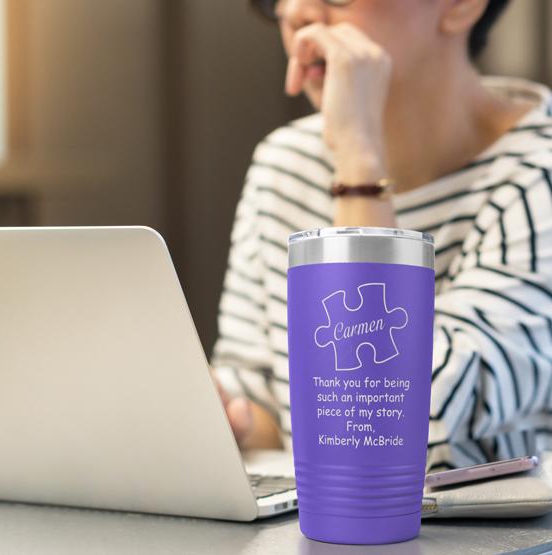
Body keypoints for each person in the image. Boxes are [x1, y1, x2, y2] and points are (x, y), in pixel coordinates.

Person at [210, 0, 552, 468]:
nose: (295, 12)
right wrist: (230, 417)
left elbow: (397, 427)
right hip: (324, 535)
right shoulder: (284, 164)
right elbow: (268, 400)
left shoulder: (538, 175)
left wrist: (359, 163)